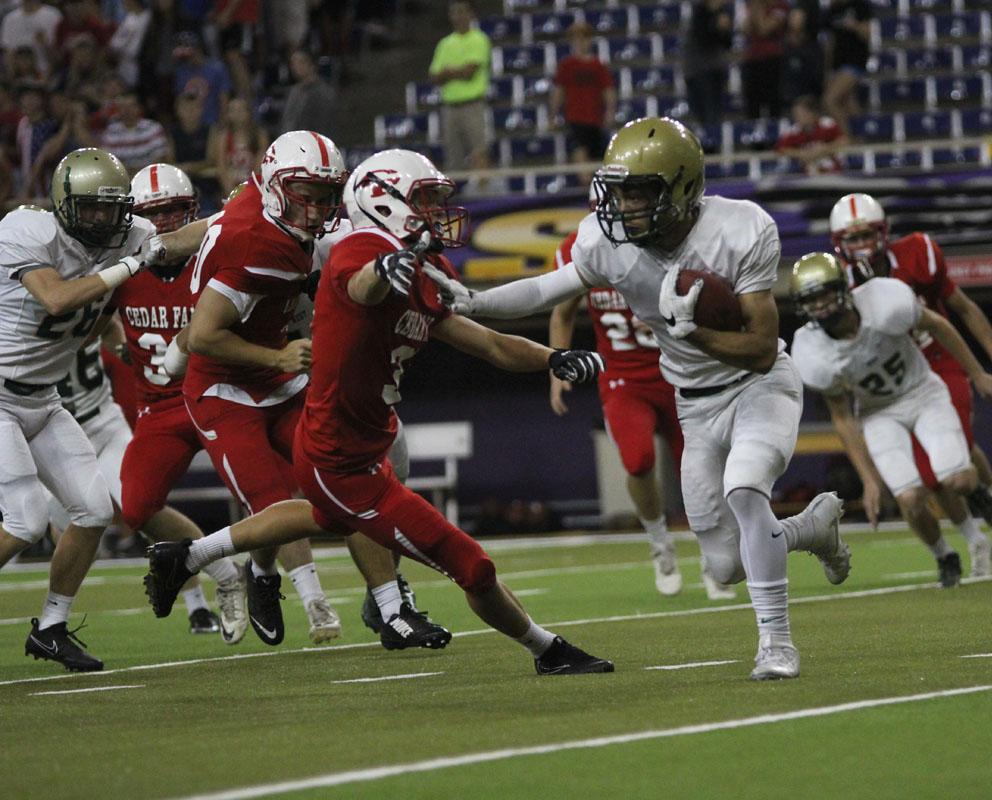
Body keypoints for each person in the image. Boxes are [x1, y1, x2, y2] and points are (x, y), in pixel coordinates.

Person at [146, 148, 614, 675]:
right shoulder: (359, 252)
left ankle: (186, 556)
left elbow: (490, 344)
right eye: (427, 202)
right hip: (340, 456)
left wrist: (556, 358)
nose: (439, 214)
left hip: (361, 437)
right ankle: (540, 648)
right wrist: (385, 266)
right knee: (472, 565)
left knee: (323, 516)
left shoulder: (417, 267)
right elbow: (359, 284)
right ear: (386, 203)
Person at [423, 117, 850, 681]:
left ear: (679, 189)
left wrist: (694, 333)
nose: (621, 207)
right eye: (617, 192)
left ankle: (776, 644)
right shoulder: (605, 243)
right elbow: (546, 289)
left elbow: (763, 350)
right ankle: (810, 529)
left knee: (746, 491)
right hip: (693, 404)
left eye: (636, 193)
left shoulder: (741, 229)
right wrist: (473, 303)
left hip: (759, 388)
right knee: (724, 565)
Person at [175, 131, 436, 649]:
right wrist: (276, 354)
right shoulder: (253, 237)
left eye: (325, 196)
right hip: (225, 387)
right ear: (275, 187)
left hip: (280, 371)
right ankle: (262, 575)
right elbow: (202, 336)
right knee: (270, 499)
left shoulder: (295, 223)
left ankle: (391, 609)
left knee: (350, 476)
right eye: (306, 195)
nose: (316, 209)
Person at [0, 147, 156, 672]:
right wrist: (132, 266)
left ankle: (50, 627)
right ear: (65, 205)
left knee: (94, 509)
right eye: (91, 208)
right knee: (25, 521)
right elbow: (58, 300)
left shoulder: (131, 235)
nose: (103, 219)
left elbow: (94, 316)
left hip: (44, 398)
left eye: (112, 208)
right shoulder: (27, 230)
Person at [790, 253, 992, 585]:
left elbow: (939, 326)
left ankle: (979, 494)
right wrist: (868, 480)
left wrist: (977, 374)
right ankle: (943, 555)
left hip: (922, 392)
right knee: (909, 497)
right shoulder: (811, 350)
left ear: (842, 289)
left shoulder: (884, 302)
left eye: (824, 293)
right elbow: (842, 417)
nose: (820, 305)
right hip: (879, 412)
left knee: (958, 480)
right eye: (811, 299)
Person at [828, 192, 992, 561]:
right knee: (930, 474)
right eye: (851, 239)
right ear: (838, 244)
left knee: (956, 452)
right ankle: (975, 536)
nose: (860, 246)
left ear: (884, 232)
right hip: (893, 379)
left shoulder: (917, 254)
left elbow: (963, 310)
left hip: (939, 359)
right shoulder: (839, 286)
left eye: (866, 235)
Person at [98, 163, 249, 640]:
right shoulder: (119, 266)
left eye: (173, 212)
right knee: (136, 507)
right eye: (152, 214)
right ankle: (225, 572)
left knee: (268, 495)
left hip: (222, 393)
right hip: (160, 408)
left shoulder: (215, 257)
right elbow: (95, 312)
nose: (163, 224)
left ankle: (302, 595)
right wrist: (121, 340)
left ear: (192, 212)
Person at [548, 223, 735, 600]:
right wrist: (558, 366)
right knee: (637, 459)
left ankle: (711, 555)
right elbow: (562, 311)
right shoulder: (582, 246)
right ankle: (660, 544)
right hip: (624, 378)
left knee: (701, 471)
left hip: (680, 370)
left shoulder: (667, 237)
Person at [428, 0, 492, 176]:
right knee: (452, 157)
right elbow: (434, 77)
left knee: (479, 152)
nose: (458, 16)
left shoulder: (479, 39)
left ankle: (483, 196)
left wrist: (448, 71)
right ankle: (455, 197)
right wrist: (455, 71)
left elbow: (469, 72)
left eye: (462, 12)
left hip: (473, 105)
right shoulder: (444, 43)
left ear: (471, 14)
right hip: (449, 107)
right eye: (454, 12)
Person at [551, 22, 615, 176]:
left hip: (595, 119)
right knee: (581, 160)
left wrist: (610, 112)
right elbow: (558, 91)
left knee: (596, 161)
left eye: (583, 38)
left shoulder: (598, 66)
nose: (579, 43)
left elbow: (608, 91)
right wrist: (552, 115)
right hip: (575, 118)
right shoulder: (567, 65)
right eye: (575, 39)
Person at [823, 0, 872, 136]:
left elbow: (867, 33)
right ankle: (861, 137)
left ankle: (847, 137)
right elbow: (830, 43)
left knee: (829, 100)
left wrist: (854, 25)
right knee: (849, 101)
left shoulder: (859, 6)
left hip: (854, 62)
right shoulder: (831, 11)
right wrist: (827, 71)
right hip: (838, 65)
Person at [682, 0, 733, 126]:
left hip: (714, 70)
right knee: (701, 114)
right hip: (698, 70)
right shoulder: (700, 13)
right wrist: (717, 27)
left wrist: (724, 30)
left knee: (713, 114)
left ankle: (712, 143)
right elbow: (703, 38)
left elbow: (727, 43)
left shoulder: (723, 14)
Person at [208, 96, 267, 198]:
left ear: (248, 112)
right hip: (230, 187)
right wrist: (232, 195)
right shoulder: (223, 137)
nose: (237, 114)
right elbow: (221, 167)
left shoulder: (259, 136)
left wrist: (251, 192)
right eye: (233, 110)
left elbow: (259, 167)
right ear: (228, 114)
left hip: (254, 188)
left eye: (241, 109)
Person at [741, 0, 789, 120]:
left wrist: (758, 9)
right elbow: (745, 30)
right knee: (752, 102)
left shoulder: (780, 6)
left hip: (772, 60)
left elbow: (764, 28)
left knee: (773, 101)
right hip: (753, 59)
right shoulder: (754, 5)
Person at [775, 96, 845, 175]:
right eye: (795, 115)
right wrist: (801, 153)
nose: (797, 118)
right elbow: (780, 148)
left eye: (800, 114)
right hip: (806, 176)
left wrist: (825, 149)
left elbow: (844, 141)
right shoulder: (794, 130)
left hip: (832, 173)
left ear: (812, 113)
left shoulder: (827, 124)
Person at [280, 49, 336, 137]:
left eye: (301, 62)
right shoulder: (294, 92)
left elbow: (324, 124)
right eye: (293, 64)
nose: (296, 67)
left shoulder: (325, 92)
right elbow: (287, 121)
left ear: (311, 65)